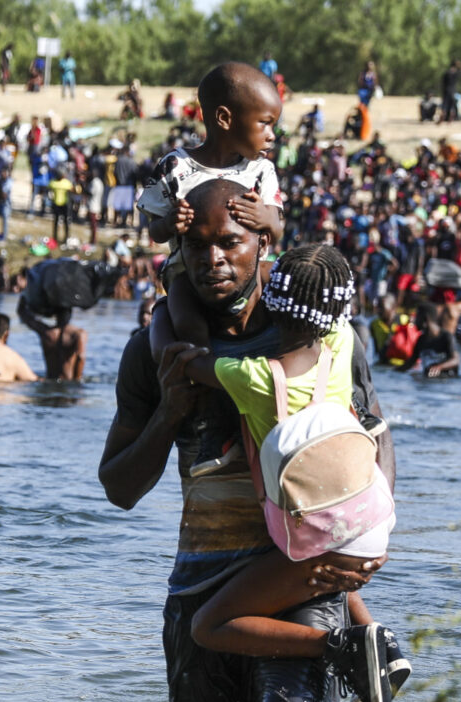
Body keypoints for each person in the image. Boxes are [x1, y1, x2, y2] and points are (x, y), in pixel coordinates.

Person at [99, 178, 396, 702]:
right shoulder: (153, 354)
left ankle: (352, 641)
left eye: (229, 242)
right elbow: (119, 488)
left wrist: (374, 534)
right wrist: (169, 415)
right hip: (200, 587)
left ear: (263, 242)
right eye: (198, 245)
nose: (214, 259)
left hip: (303, 580)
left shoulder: (321, 334)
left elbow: (375, 436)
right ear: (178, 251)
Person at [169, 245, 403, 702]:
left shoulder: (251, 377)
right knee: (319, 573)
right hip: (366, 523)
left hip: (313, 540)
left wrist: (170, 293)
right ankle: (384, 645)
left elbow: (181, 361)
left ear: (272, 302)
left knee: (207, 626)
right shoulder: (339, 347)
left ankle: (342, 644)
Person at [139, 62, 284, 477]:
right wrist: (172, 225)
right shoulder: (177, 167)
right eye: (265, 124)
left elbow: (277, 225)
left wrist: (266, 218)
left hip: (250, 269)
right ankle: (210, 422)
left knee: (289, 293)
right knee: (184, 312)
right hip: (189, 267)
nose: (272, 135)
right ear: (224, 119)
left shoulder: (261, 171)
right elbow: (154, 228)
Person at [17, 296, 87, 381]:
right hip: (68, 383)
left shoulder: (46, 332)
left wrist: (24, 296)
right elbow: (81, 357)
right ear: (70, 313)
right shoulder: (78, 334)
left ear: (55, 315)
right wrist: (77, 380)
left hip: (49, 380)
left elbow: (23, 314)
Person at [398, 303, 460, 377]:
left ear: (425, 318)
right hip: (428, 379)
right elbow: (410, 363)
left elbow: (455, 360)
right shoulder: (421, 339)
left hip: (445, 381)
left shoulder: (446, 337)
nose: (415, 321)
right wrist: (393, 372)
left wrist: (439, 367)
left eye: (417, 317)